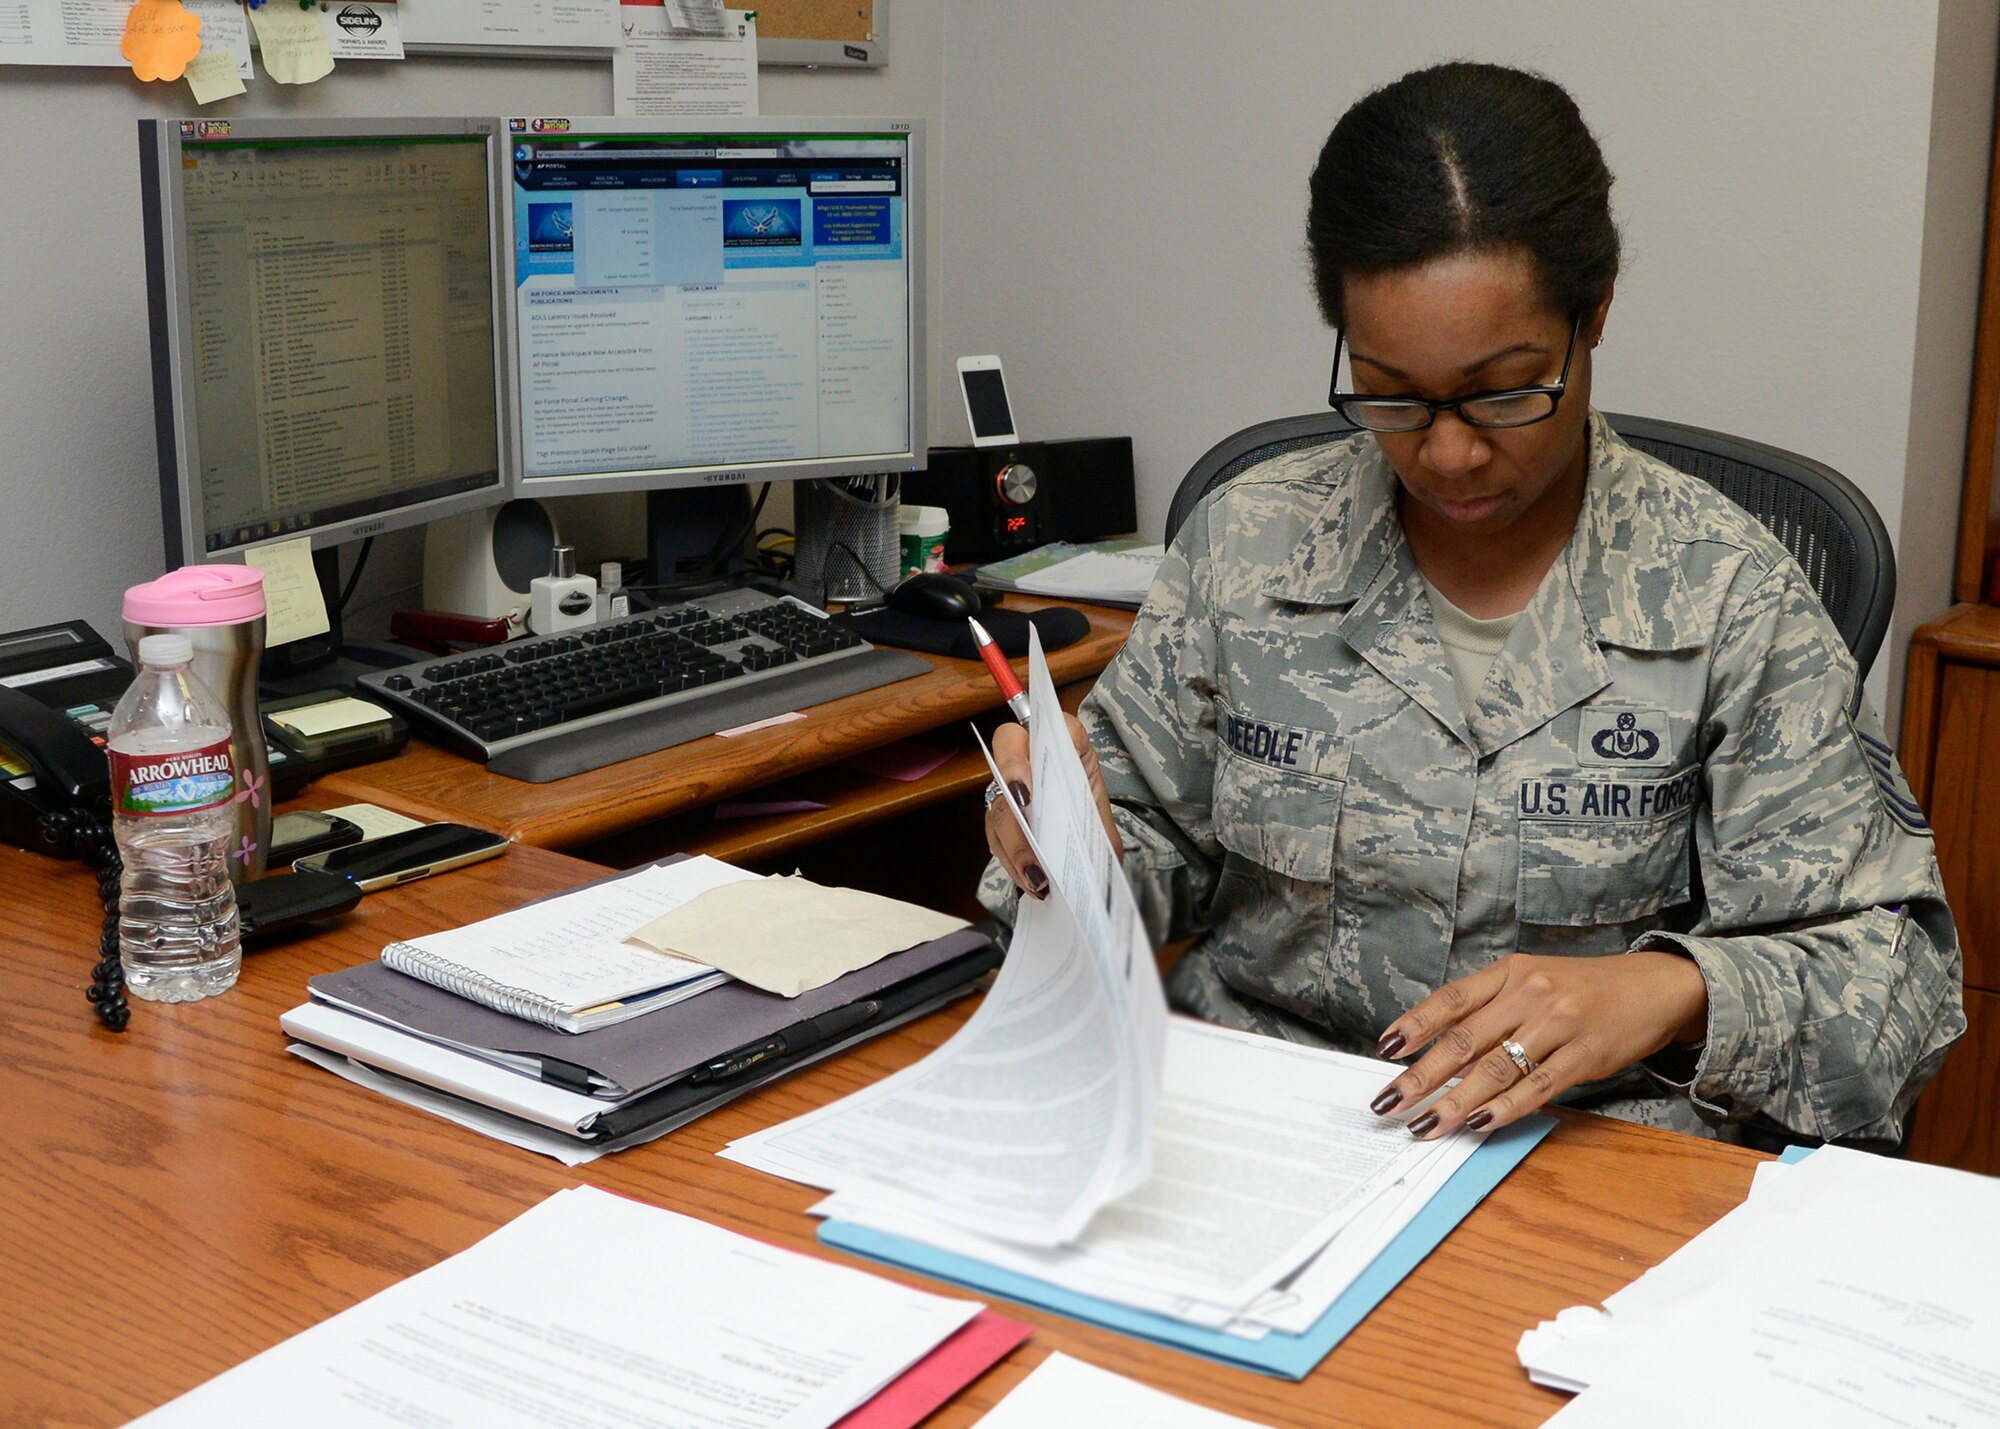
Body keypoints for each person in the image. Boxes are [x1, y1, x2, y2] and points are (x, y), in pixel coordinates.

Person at [980, 60, 1963, 1147]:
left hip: (1581, 1155)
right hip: (1253, 1131)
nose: (1447, 453)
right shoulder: (1246, 547)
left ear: (1595, 312)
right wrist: (1056, 847)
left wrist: (1671, 992)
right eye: (1391, 394)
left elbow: (1896, 990)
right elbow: (1136, 845)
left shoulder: (1728, 595)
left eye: (1502, 390)